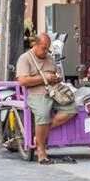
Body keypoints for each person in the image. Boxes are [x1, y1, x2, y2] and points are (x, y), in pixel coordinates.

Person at [16, 32, 76, 164]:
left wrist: (57, 76)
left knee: (71, 109)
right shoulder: (25, 58)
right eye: (43, 48)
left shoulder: (50, 58)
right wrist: (45, 78)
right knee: (43, 114)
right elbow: (23, 81)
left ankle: (39, 136)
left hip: (54, 92)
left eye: (48, 48)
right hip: (36, 93)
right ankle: (41, 152)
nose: (46, 51)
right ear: (34, 45)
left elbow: (56, 73)